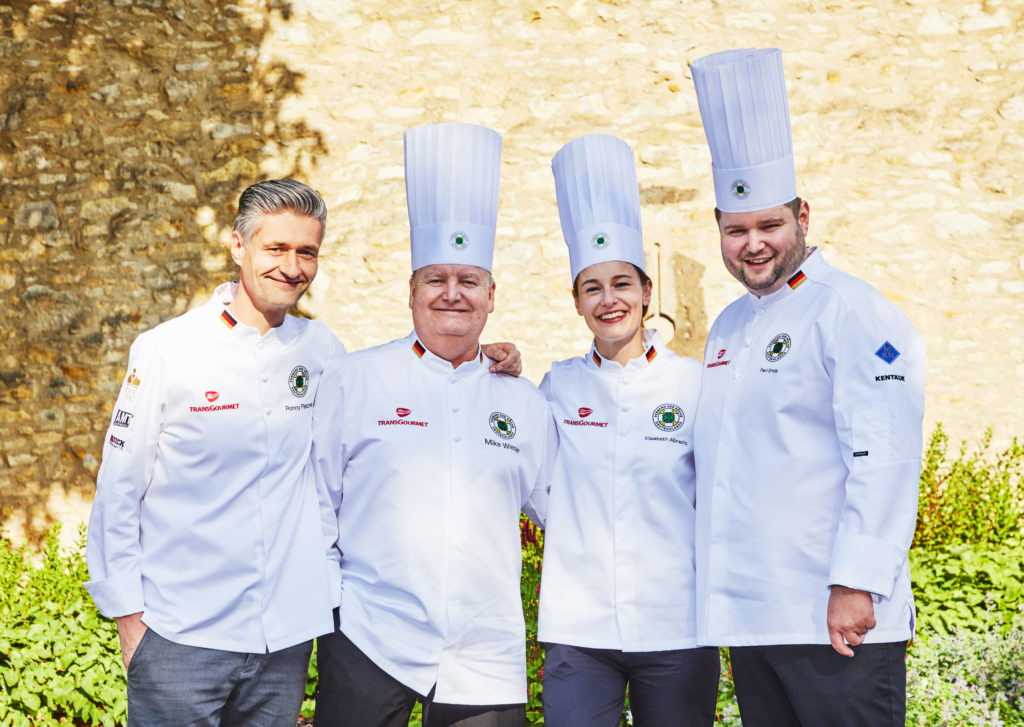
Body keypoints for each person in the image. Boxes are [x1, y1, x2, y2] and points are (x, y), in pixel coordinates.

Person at [689, 48, 926, 726]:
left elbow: (884, 454)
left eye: (769, 225)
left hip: (839, 621)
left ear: (803, 216)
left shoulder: (852, 310)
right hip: (759, 620)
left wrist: (856, 580)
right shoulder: (729, 326)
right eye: (737, 231)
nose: (753, 244)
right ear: (719, 233)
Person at [312, 122, 554, 727]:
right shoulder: (354, 379)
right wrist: (332, 608)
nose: (453, 294)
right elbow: (316, 500)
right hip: (369, 640)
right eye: (436, 280)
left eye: (468, 281)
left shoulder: (523, 401)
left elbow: (566, 511)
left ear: (491, 295)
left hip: (483, 653)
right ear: (412, 291)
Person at [85, 178, 344, 726]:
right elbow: (119, 488)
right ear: (238, 247)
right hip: (181, 636)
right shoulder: (166, 349)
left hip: (284, 640)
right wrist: (130, 619)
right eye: (276, 248)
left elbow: (367, 432)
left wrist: (480, 357)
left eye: (307, 252)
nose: (292, 267)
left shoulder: (320, 350)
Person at [538, 133, 719, 727]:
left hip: (677, 625)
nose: (608, 299)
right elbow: (534, 480)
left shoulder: (694, 384)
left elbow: (717, 489)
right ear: (577, 301)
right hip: (577, 628)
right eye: (592, 287)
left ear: (646, 293)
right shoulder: (556, 386)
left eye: (621, 284)